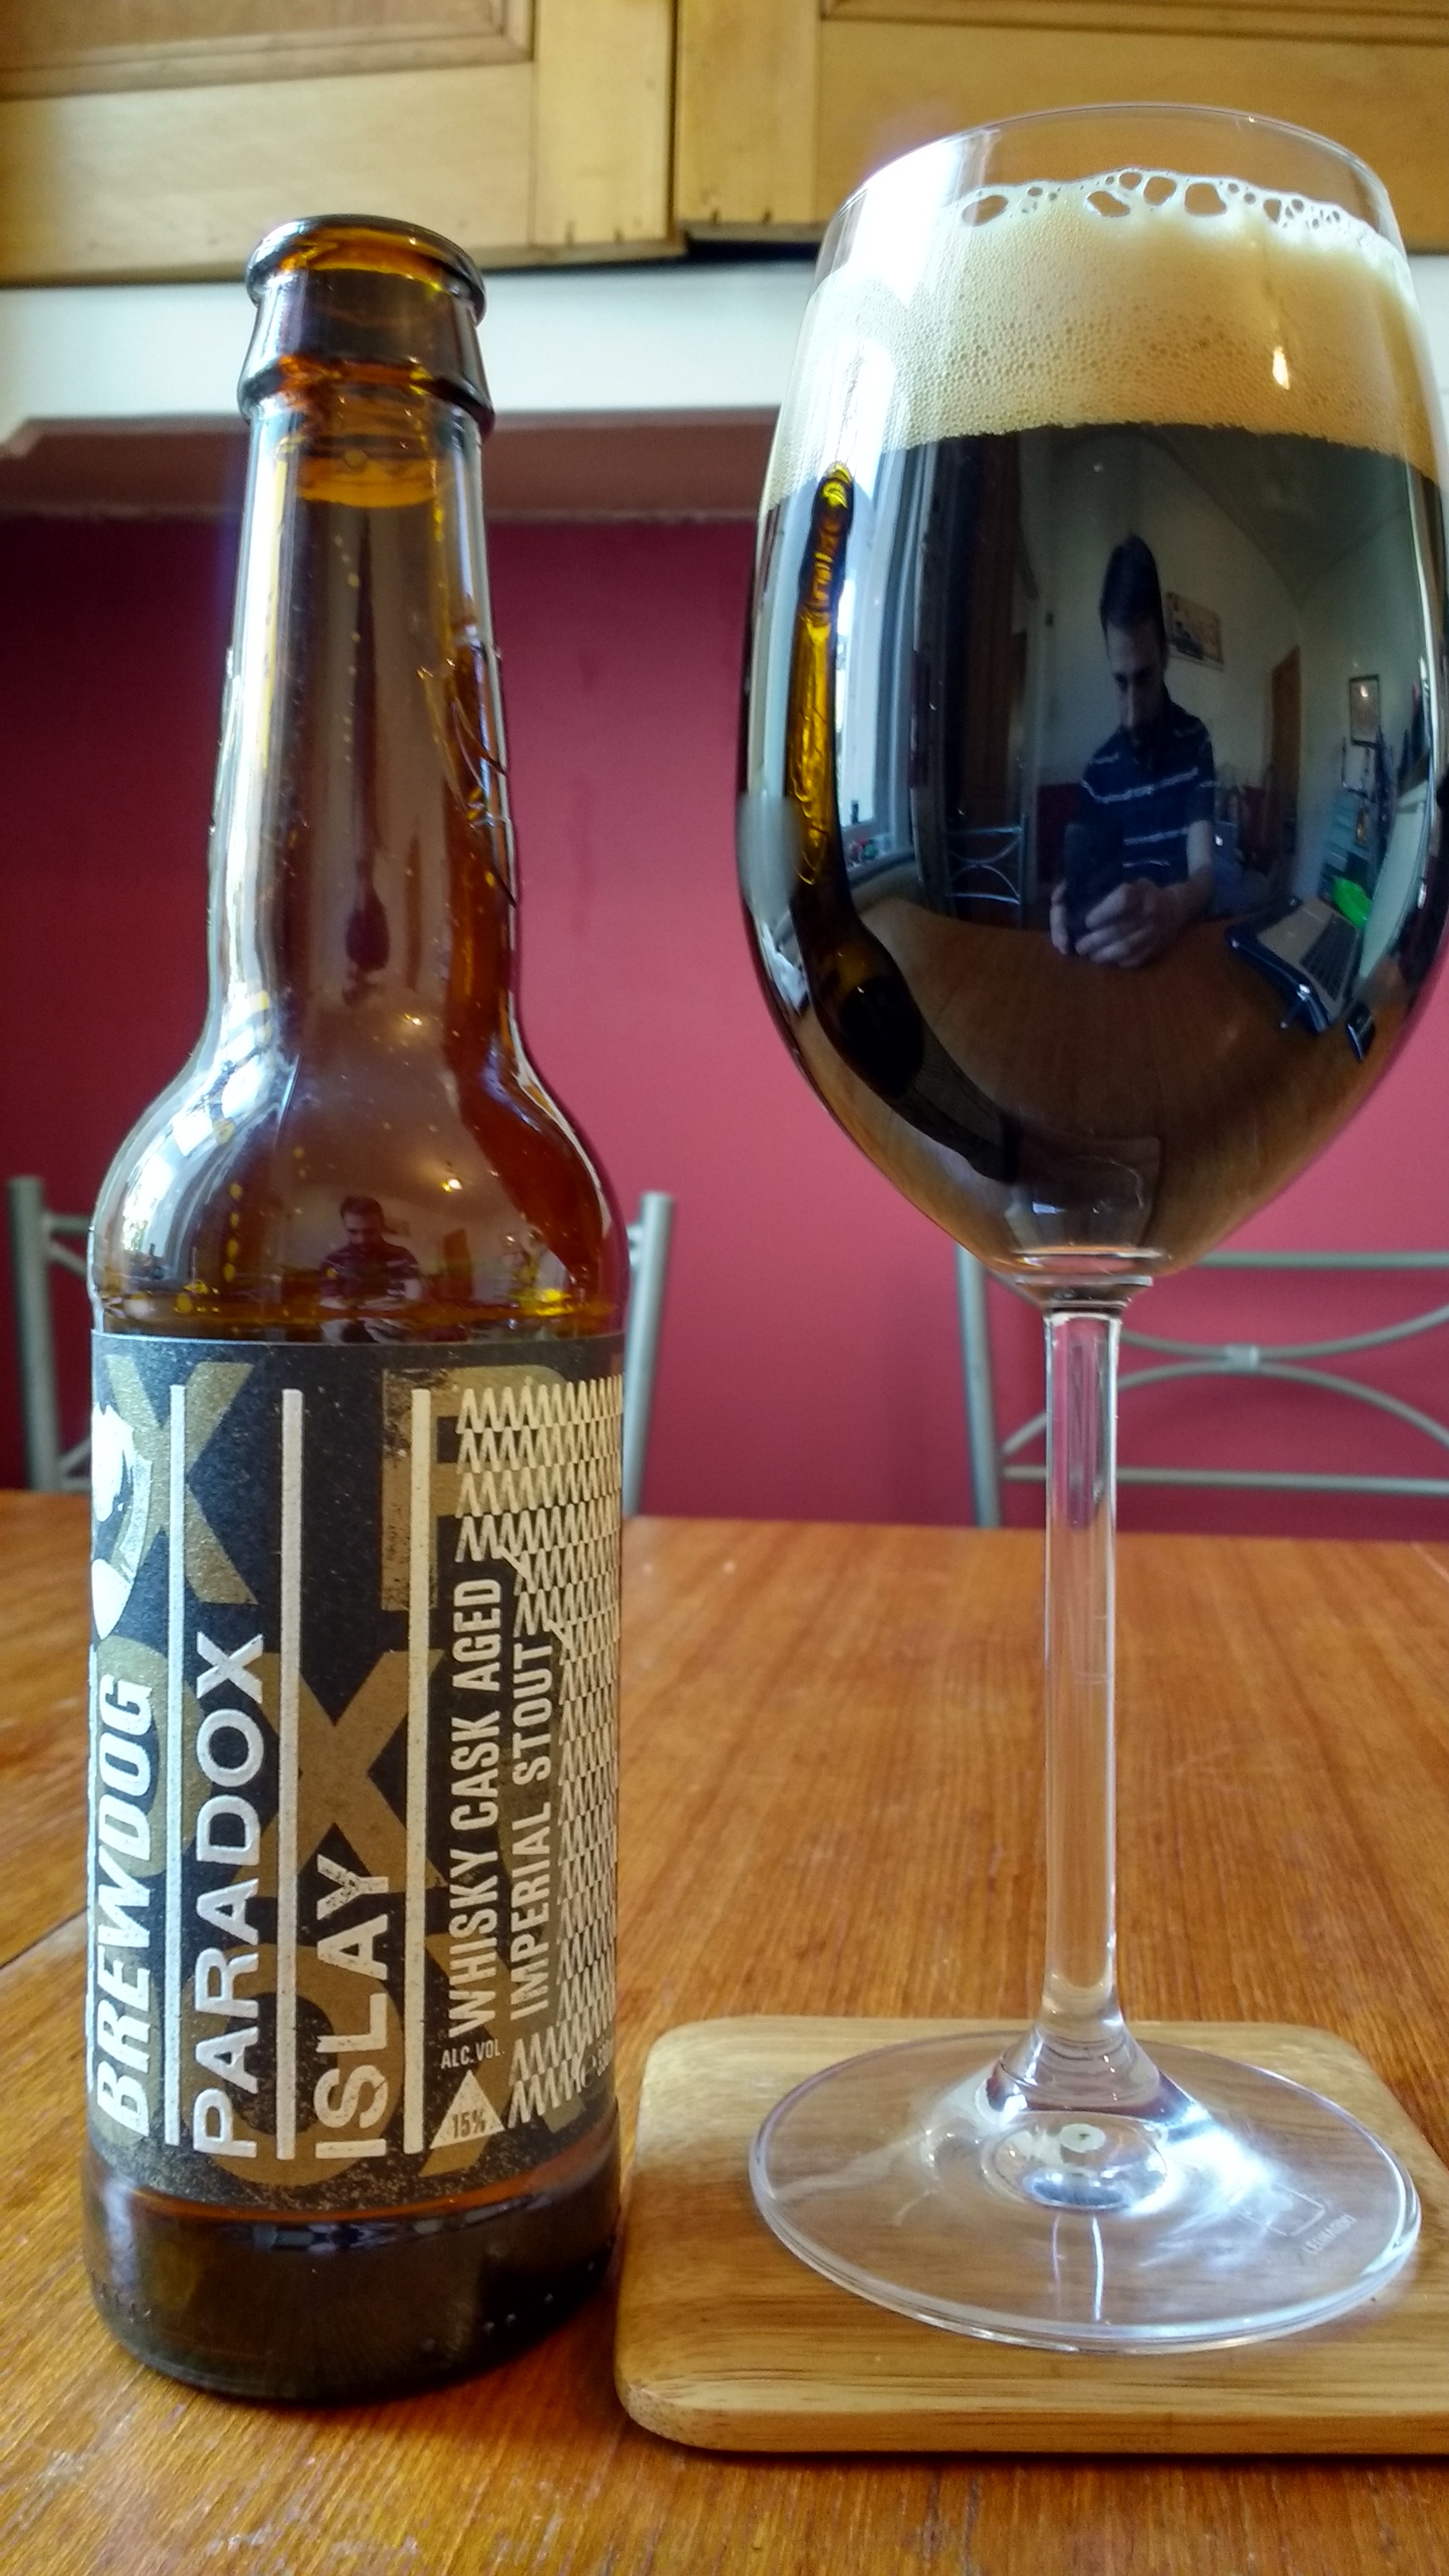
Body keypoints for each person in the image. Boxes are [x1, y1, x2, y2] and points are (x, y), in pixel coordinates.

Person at [1051, 535, 1215, 968]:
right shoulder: (1097, 773)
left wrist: (1174, 906)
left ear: (1166, 655)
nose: (1131, 716)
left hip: (1183, 953)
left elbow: (1204, 874)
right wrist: (1067, 905)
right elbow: (1081, 882)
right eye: (1120, 682)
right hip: (1111, 957)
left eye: (1143, 679)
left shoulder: (1196, 742)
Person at [318, 1193, 424, 1338]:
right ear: (345, 1226)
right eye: (353, 1232)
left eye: (370, 1232)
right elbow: (329, 1303)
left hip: (393, 1333)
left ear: (382, 1225)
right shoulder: (333, 1262)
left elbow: (415, 1299)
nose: (361, 1239)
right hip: (347, 1334)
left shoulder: (403, 1257)